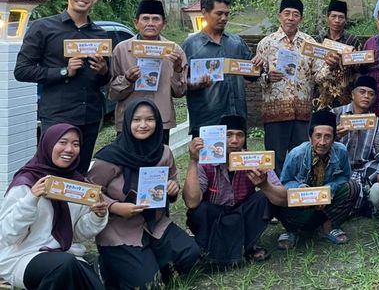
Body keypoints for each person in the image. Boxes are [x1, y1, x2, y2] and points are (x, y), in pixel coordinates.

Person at [87, 100, 200, 288]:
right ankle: (108, 267)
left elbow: (172, 180)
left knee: (190, 253)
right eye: (136, 119)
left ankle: (150, 263)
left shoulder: (163, 152)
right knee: (148, 285)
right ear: (127, 122)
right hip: (120, 230)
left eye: (150, 119)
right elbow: (89, 189)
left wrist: (173, 189)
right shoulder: (110, 158)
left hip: (155, 224)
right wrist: (115, 206)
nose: (143, 125)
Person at [15, 0, 110, 173]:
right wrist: (64, 72)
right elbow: (22, 71)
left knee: (79, 175)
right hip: (58, 117)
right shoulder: (43, 28)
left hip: (90, 117)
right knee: (52, 175)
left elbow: (103, 80)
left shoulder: (100, 35)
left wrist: (103, 71)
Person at [0, 124, 108, 289]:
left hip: (66, 256)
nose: (69, 149)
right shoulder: (26, 183)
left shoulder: (78, 185)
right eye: (62, 142)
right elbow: (7, 235)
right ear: (48, 144)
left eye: (75, 144)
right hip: (23, 256)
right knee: (66, 267)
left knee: (74, 271)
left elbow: (76, 235)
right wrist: (31, 199)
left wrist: (96, 216)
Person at [183, 115, 287, 265]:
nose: (234, 141)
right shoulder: (206, 161)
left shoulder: (253, 160)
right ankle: (209, 250)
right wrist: (193, 160)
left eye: (240, 135)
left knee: (265, 198)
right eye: (228, 135)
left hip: (243, 213)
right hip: (216, 215)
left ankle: (249, 246)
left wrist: (265, 185)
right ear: (219, 137)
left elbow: (283, 198)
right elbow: (192, 202)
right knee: (199, 210)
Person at [253, 0, 337, 172]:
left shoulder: (310, 44)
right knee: (275, 161)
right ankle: (275, 191)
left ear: (301, 19)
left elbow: (318, 77)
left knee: (302, 159)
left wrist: (330, 66)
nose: (291, 18)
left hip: (302, 114)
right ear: (279, 16)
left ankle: (299, 188)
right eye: (287, 13)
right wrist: (267, 77)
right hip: (275, 113)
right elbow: (258, 78)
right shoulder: (266, 44)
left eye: (295, 14)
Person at [276, 111, 359, 249]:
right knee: (277, 196)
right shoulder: (296, 154)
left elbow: (344, 176)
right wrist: (300, 188)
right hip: (301, 202)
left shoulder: (341, 151)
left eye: (328, 137)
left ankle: (327, 227)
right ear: (310, 137)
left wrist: (330, 188)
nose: (322, 142)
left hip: (325, 201)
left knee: (353, 187)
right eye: (318, 136)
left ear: (334, 139)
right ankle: (291, 230)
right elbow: (284, 182)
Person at [108, 0, 187, 144]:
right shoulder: (122, 50)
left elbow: (180, 92)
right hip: (129, 121)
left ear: (164, 24)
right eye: (145, 18)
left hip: (160, 121)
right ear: (136, 23)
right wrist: (127, 79)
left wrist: (177, 70)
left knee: (158, 158)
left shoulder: (175, 51)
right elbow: (112, 93)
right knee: (127, 159)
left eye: (156, 19)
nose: (150, 23)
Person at [182, 0, 254, 137]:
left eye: (227, 14)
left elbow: (252, 75)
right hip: (206, 121)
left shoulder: (236, 42)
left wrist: (259, 65)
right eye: (219, 13)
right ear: (204, 13)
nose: (224, 18)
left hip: (236, 121)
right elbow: (179, 84)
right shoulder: (191, 46)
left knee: (236, 153)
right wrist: (196, 83)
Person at [332, 76, 379, 214]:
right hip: (338, 167)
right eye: (362, 92)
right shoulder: (335, 114)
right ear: (353, 94)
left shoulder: (376, 121)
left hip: (363, 168)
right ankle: (361, 202)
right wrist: (334, 136)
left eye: (371, 94)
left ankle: (359, 200)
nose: (366, 96)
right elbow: (318, 145)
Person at [315, 0, 362, 107]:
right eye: (333, 16)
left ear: (345, 20)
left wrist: (354, 59)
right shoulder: (319, 40)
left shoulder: (352, 41)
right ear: (327, 18)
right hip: (322, 94)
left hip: (345, 94)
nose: (337, 20)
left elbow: (359, 69)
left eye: (341, 17)